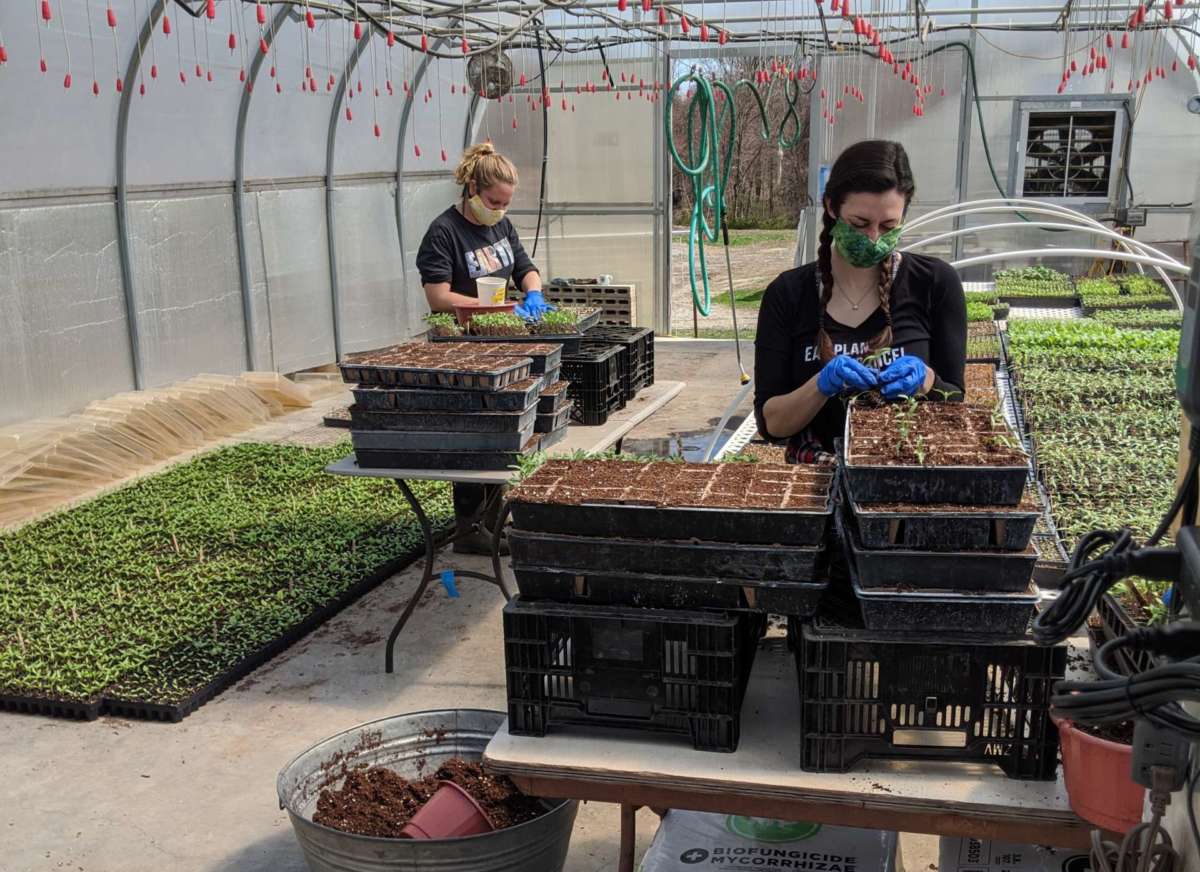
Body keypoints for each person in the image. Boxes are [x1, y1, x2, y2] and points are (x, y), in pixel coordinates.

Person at [754, 139, 966, 464]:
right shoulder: (788, 294)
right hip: (816, 482)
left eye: (889, 226)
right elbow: (772, 424)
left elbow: (955, 401)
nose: (874, 238)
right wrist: (820, 385)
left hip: (909, 478)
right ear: (831, 207)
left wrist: (926, 380)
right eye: (860, 224)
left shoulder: (934, 283)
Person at [415, 143, 549, 553]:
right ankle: (469, 529)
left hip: (502, 343)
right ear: (472, 187)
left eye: (507, 204)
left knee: (504, 431)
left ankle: (494, 518)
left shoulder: (502, 227)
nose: (500, 210)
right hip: (462, 349)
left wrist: (534, 292)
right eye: (494, 201)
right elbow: (437, 296)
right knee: (473, 435)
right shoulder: (444, 232)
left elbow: (525, 267)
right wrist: (494, 305)